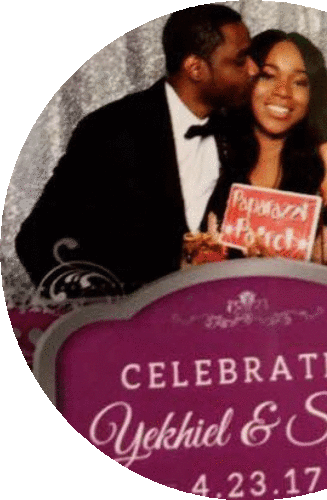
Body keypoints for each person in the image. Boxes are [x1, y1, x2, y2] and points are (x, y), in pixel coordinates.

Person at [15, 5, 258, 297]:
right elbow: (36, 239)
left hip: (205, 316)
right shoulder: (113, 130)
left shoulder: (235, 134)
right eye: (241, 60)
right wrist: (109, 309)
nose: (253, 69)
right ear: (195, 68)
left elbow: (212, 239)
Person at [218, 30, 327, 274]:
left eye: (300, 82)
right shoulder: (218, 148)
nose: (283, 92)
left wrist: (304, 283)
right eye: (268, 76)